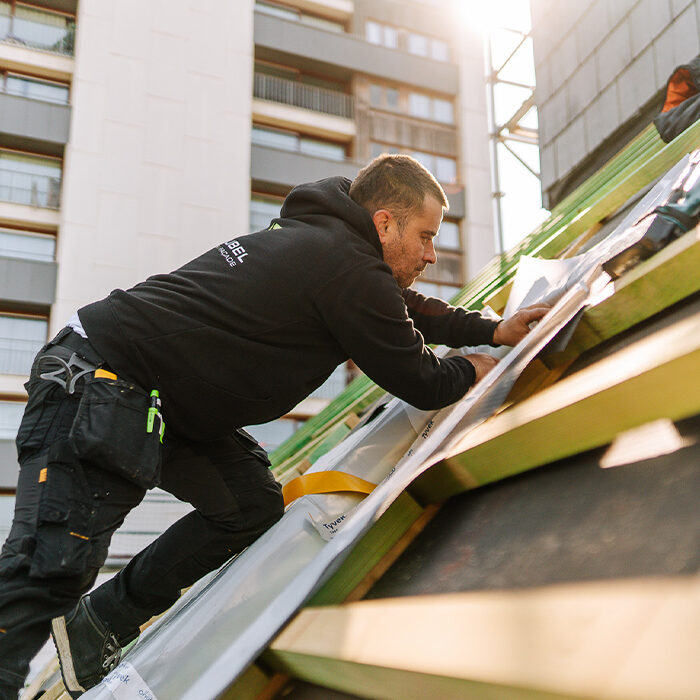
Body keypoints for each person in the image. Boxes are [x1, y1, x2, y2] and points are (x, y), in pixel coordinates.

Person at [0, 155, 548, 698]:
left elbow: (398, 305)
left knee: (247, 506)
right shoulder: (343, 266)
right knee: (44, 568)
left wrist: (491, 329)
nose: (431, 254)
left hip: (168, 401)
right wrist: (473, 366)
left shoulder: (333, 249)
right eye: (426, 236)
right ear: (384, 222)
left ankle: (98, 622)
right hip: (100, 377)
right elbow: (422, 380)